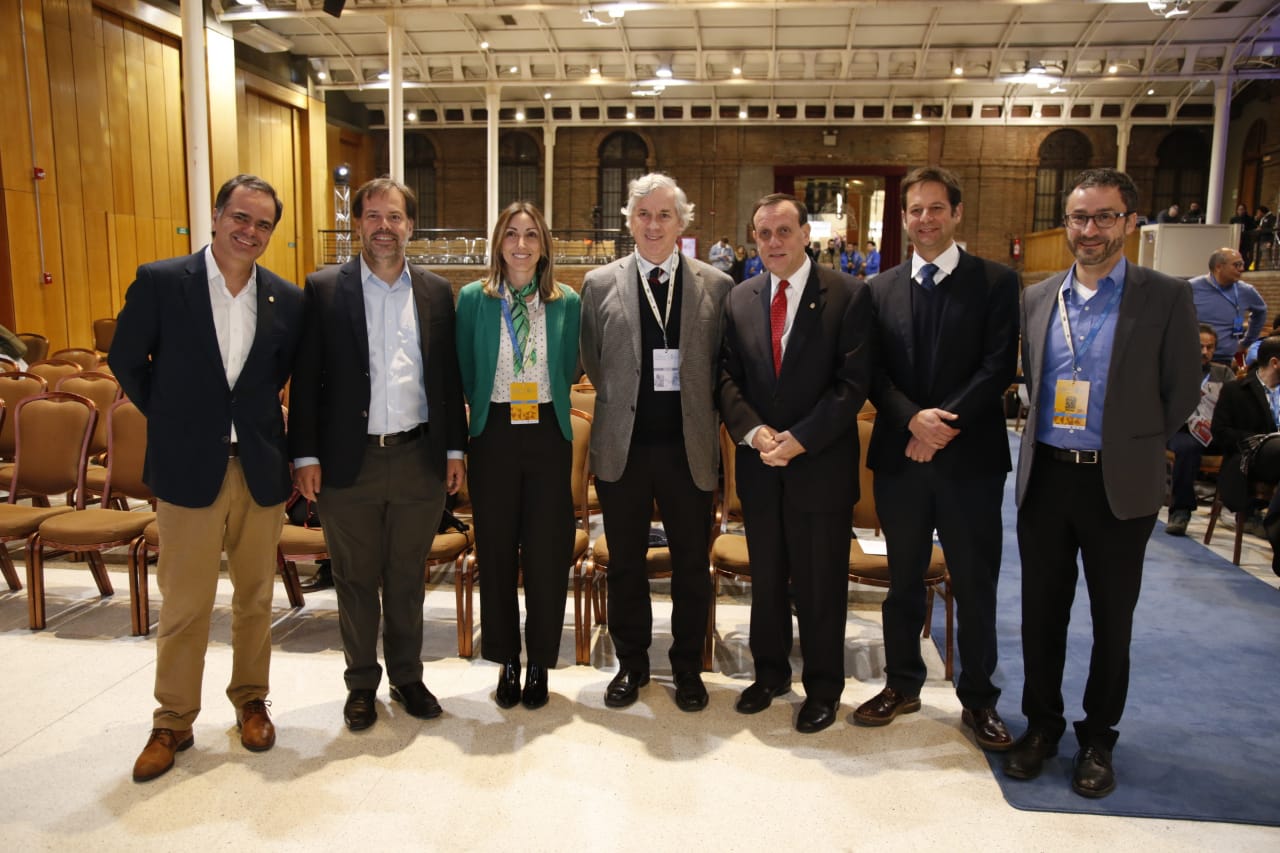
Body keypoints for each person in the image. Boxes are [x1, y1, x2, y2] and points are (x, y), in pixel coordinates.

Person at [1004, 168, 1199, 798]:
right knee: (1041, 614)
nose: (1090, 230)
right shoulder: (1038, 297)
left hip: (1119, 485)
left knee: (1113, 619)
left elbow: (1182, 390)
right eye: (1079, 217)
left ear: (1130, 222)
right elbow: (1034, 380)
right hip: (1047, 480)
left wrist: (1133, 442)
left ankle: (1098, 738)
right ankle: (1041, 725)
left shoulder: (1165, 296)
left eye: (1104, 217)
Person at [113, 174, 303, 782]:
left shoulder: (284, 298)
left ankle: (251, 699)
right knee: (186, 602)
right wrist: (173, 418)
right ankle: (172, 719)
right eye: (240, 218)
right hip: (188, 467)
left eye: (263, 224)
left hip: (259, 469)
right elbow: (126, 359)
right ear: (217, 216)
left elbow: (281, 377)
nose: (250, 231)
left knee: (255, 597)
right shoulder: (163, 282)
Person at [289, 176, 467, 732]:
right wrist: (304, 457)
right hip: (349, 463)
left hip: (418, 459)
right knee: (355, 579)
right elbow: (306, 378)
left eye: (394, 217)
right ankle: (361, 683)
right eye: (372, 216)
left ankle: (408, 678)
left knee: (408, 578)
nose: (384, 227)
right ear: (357, 224)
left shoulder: (436, 291)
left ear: (410, 226)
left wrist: (454, 449)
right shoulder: (323, 288)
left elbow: (446, 378)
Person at [855, 167, 1020, 752]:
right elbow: (872, 372)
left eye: (935, 208)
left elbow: (998, 367)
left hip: (969, 460)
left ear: (956, 213)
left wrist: (940, 425)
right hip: (901, 458)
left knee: (974, 583)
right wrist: (912, 420)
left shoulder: (995, 281)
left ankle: (979, 699)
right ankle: (902, 684)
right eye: (915, 210)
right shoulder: (878, 289)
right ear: (904, 218)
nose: (925, 219)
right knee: (902, 581)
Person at [718, 193, 871, 733]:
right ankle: (770, 674)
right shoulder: (740, 298)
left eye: (784, 230)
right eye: (763, 233)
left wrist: (800, 439)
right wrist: (755, 431)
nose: (773, 242)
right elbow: (727, 377)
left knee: (820, 585)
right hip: (761, 465)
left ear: (807, 234)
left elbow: (852, 384)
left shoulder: (849, 294)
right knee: (766, 579)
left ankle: (824, 688)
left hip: (820, 466)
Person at [579, 173, 732, 712]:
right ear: (629, 221)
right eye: (643, 214)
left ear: (681, 222)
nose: (653, 224)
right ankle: (632, 664)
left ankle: (687, 667)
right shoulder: (599, 284)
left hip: (689, 449)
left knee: (691, 565)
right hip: (624, 448)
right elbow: (594, 359)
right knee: (625, 563)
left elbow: (720, 366)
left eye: (664, 214)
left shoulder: (717, 285)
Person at [455, 202, 580, 710]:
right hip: (494, 434)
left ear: (544, 244)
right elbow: (466, 369)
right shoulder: (473, 299)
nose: (521, 244)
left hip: (548, 432)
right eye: (511, 234)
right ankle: (506, 658)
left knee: (548, 553)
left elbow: (570, 367)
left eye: (531, 234)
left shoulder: (567, 301)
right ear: (498, 243)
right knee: (497, 550)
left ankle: (541, 663)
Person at [1211, 334, 1280, 575]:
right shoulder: (1236, 390)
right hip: (1250, 458)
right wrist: (1257, 438)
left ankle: (1275, 526)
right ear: (1275, 362)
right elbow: (1220, 432)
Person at [1165, 324, 1235, 536]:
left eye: (1210, 347)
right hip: (1181, 430)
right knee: (1188, 448)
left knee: (1243, 445)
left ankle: (1247, 511)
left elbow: (1236, 403)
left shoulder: (1223, 373)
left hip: (1215, 430)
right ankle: (1181, 511)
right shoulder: (1174, 371)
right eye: (1200, 346)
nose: (1205, 352)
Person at [1189, 247, 1266, 366]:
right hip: (1192, 356)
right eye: (1237, 265)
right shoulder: (1191, 288)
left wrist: (1246, 342)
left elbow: (1261, 312)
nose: (1242, 269)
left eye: (1242, 264)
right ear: (1218, 267)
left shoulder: (1246, 291)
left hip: (1224, 358)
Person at [1244, 206, 1276, 271]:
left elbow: (1272, 229)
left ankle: (1268, 269)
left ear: (1261, 212)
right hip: (1259, 240)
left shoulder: (1271, 218)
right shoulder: (1262, 219)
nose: (1257, 214)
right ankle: (1256, 268)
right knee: (1257, 256)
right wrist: (1256, 221)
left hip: (1267, 240)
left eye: (1258, 212)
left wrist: (1270, 241)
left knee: (1266, 256)